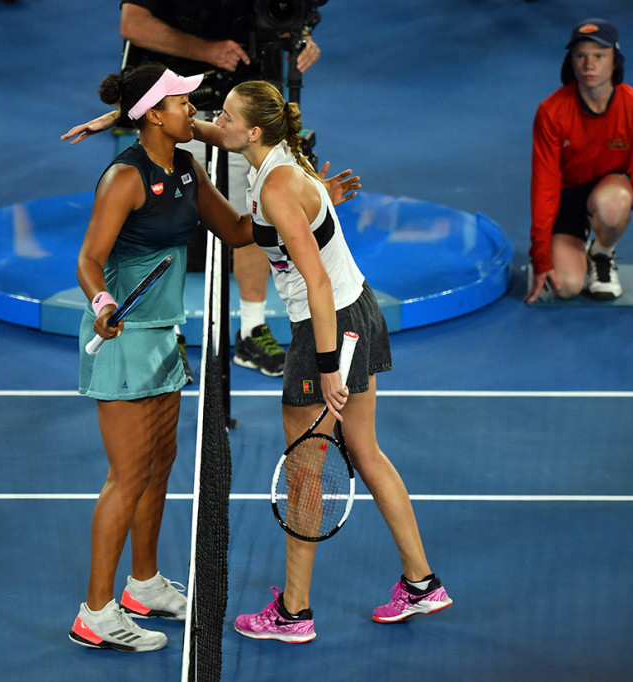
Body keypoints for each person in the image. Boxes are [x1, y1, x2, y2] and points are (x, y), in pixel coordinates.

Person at [66, 65, 359, 653]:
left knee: (158, 467)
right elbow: (89, 259)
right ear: (154, 114)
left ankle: (142, 585)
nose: (193, 108)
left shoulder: (187, 167)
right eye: (181, 101)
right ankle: (94, 613)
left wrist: (309, 203)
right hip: (122, 340)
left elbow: (240, 229)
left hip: (164, 339)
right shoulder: (124, 178)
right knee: (125, 477)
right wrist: (101, 303)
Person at [190, 80, 451, 641]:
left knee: (305, 472)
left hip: (328, 325)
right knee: (364, 451)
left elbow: (314, 283)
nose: (218, 121)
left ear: (253, 132)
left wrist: (328, 367)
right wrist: (168, 132)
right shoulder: (274, 163)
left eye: (227, 117)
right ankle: (423, 583)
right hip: (358, 308)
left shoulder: (278, 186)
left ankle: (293, 614)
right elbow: (238, 213)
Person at [117, 0, 324, 377]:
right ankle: (169, 333)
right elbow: (133, 24)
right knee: (166, 222)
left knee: (256, 210)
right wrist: (206, 51)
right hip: (174, 109)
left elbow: (278, 12)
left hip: (243, 102)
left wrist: (299, 37)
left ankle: (251, 329)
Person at [525, 19, 633, 305]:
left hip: (608, 192)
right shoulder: (551, 112)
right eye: (580, 56)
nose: (589, 65)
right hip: (566, 198)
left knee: (616, 202)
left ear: (615, 62)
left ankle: (602, 253)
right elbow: (544, 187)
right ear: (570, 62)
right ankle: (575, 247)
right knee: (567, 287)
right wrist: (540, 256)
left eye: (599, 56)